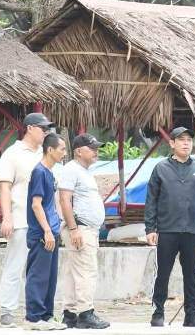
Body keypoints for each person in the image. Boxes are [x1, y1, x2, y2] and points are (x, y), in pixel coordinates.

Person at [144, 126, 195, 328]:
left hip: (192, 230)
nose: (186, 143)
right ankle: (158, 312)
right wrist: (150, 228)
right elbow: (151, 201)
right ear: (172, 143)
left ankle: (191, 313)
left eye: (189, 140)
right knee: (163, 273)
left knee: (191, 274)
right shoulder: (160, 168)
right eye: (181, 139)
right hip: (167, 230)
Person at [0, 112, 55, 328]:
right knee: (15, 264)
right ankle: (7, 309)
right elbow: (4, 186)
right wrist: (7, 217)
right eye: (42, 128)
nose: (45, 132)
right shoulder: (12, 154)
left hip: (44, 222)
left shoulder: (46, 154)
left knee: (40, 270)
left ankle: (38, 311)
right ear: (30, 128)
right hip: (21, 218)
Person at [58, 133, 110, 330]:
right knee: (87, 272)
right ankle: (86, 313)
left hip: (86, 228)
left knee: (73, 273)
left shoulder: (84, 171)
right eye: (92, 148)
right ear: (79, 151)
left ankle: (70, 313)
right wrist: (74, 228)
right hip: (80, 228)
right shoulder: (72, 169)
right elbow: (64, 200)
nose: (96, 152)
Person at [24, 133, 67, 330]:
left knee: (50, 277)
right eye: (62, 149)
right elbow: (36, 205)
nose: (64, 153)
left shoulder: (49, 172)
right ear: (50, 150)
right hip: (42, 233)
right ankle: (33, 317)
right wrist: (47, 231)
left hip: (52, 231)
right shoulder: (40, 172)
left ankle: (46, 316)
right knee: (38, 275)